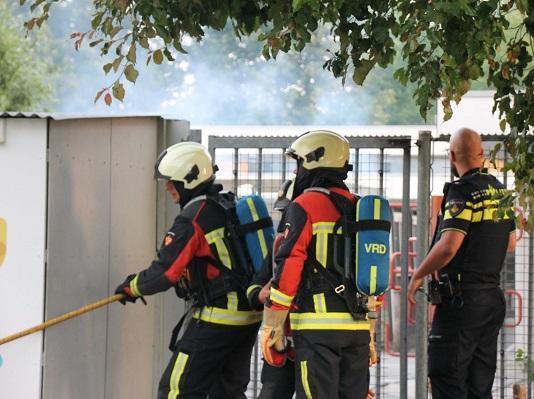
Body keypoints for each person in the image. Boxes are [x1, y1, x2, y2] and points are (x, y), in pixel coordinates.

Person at [114, 141, 262, 399]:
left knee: (177, 390)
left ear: (190, 178)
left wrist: (132, 287)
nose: (168, 186)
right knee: (227, 392)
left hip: (218, 319)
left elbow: (165, 273)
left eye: (172, 180)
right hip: (247, 319)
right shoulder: (226, 205)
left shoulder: (193, 217)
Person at [260, 130, 371, 399]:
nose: (296, 171)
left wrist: (273, 324)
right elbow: (371, 271)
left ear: (312, 162)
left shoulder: (305, 205)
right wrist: (373, 334)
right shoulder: (359, 206)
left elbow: (290, 266)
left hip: (317, 331)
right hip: (357, 331)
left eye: (298, 163)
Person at [407, 128, 517, 399]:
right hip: (491, 300)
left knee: (447, 376)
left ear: (452, 155)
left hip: (462, 302)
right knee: (478, 386)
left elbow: (448, 247)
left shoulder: (461, 192)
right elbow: (511, 243)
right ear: (481, 154)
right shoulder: (500, 192)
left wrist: (418, 274)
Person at [246, 178, 296, 399]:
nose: (286, 219)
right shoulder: (279, 247)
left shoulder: (333, 247)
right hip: (281, 344)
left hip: (317, 348)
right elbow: (255, 285)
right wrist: (259, 294)